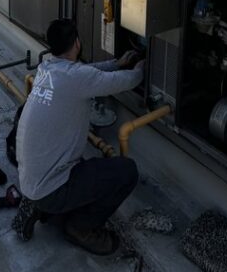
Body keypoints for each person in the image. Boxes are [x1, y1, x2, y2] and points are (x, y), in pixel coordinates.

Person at [16, 18, 145, 255]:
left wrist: (117, 63)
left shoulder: (46, 69)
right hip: (51, 187)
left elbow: (85, 73)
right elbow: (129, 81)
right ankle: (81, 228)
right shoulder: (77, 78)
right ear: (77, 43)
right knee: (126, 172)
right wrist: (145, 66)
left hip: (30, 180)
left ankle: (41, 208)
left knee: (85, 168)